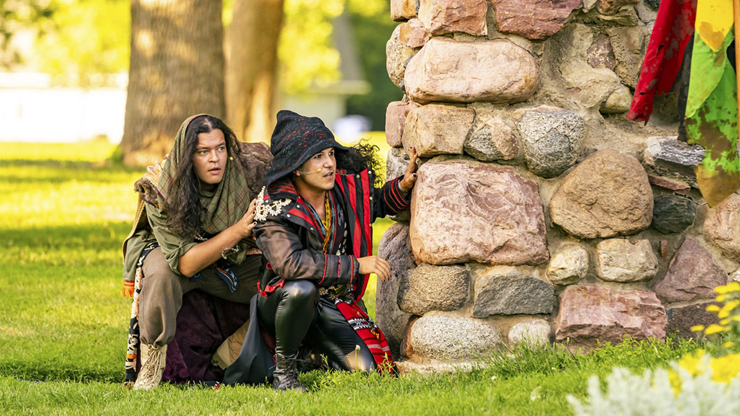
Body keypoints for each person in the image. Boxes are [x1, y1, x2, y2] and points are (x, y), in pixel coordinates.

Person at [240, 110, 418, 392]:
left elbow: (374, 205)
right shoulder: (272, 205)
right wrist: (356, 265)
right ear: (296, 167)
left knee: (372, 370)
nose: (329, 165)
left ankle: (311, 355)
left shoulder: (342, 190)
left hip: (330, 303)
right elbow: (290, 264)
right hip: (283, 303)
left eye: (330, 154)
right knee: (301, 289)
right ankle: (284, 372)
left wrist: (404, 186)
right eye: (317, 157)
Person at [121, 115, 268, 390]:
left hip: (234, 256)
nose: (216, 159)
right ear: (188, 156)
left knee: (279, 277)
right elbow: (185, 264)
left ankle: (236, 355)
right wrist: (237, 230)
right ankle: (152, 364)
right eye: (204, 151)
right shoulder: (161, 188)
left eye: (220, 148)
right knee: (162, 273)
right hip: (178, 254)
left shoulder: (249, 169)